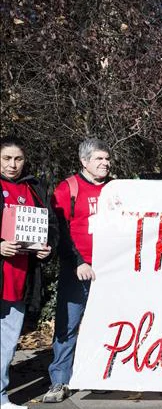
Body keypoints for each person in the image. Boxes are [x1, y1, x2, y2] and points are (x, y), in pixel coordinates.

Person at [42, 138, 113, 403]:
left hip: (110, 271)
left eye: (107, 159)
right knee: (68, 325)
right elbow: (59, 231)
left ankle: (100, 375)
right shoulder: (67, 188)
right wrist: (78, 262)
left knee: (107, 324)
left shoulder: (116, 188)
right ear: (84, 161)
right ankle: (60, 381)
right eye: (99, 159)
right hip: (79, 270)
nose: (105, 163)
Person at [1, 136, 56, 409]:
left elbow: (49, 229)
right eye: (7, 158)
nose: (13, 165)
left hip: (21, 280)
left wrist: (46, 249)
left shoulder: (34, 189)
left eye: (18, 159)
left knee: (8, 342)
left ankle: (0, 396)